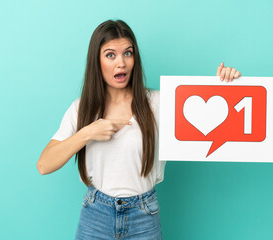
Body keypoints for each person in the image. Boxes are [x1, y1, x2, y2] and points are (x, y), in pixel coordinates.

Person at [37, 19, 241, 240]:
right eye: (110, 55)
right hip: (95, 215)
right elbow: (44, 164)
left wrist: (227, 84)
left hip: (143, 215)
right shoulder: (81, 109)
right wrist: (88, 133)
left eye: (128, 53)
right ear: (97, 61)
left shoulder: (159, 103)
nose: (121, 63)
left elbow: (211, 118)